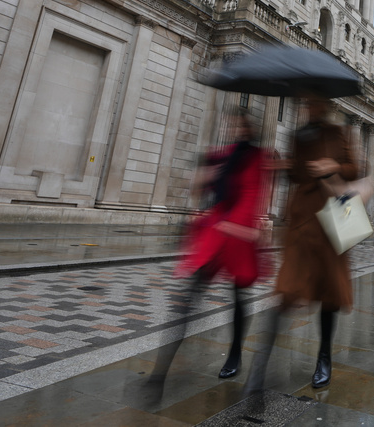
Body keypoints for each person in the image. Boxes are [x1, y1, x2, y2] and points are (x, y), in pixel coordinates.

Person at [245, 92, 359, 393]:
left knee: (329, 294)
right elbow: (297, 173)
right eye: (307, 101)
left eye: (314, 101)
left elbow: (353, 169)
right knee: (287, 288)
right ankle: (260, 366)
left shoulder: (338, 132)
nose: (310, 105)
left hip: (333, 218)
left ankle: (324, 358)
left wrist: (330, 166)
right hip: (302, 220)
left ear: (325, 104)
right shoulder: (298, 134)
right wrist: (283, 167)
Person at [151, 110, 269, 383]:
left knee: (239, 297)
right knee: (189, 296)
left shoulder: (257, 157)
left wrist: (234, 225)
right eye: (232, 123)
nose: (235, 127)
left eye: (240, 123)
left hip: (237, 234)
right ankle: (161, 369)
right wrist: (201, 180)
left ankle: (235, 353)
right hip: (216, 232)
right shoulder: (223, 153)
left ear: (250, 128)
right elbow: (202, 187)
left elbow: (252, 195)